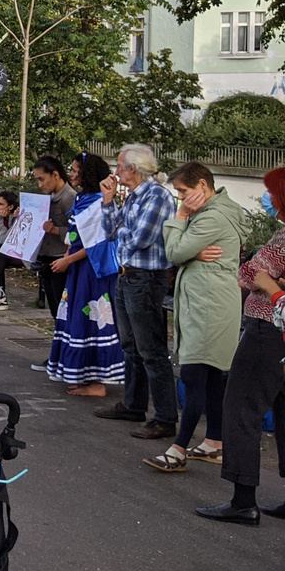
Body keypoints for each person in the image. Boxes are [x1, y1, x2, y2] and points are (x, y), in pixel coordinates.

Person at [145, 162, 247, 473]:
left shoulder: (212, 216)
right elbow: (184, 250)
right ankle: (214, 442)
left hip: (207, 306)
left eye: (183, 191)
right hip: (211, 303)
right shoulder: (220, 211)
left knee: (194, 374)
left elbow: (173, 253)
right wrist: (191, 248)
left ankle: (178, 450)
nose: (180, 198)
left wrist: (180, 220)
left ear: (202, 185)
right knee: (213, 376)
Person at [199, 167, 285, 523]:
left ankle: (243, 499)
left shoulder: (282, 241)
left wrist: (267, 280)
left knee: (242, 409)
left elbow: (248, 275)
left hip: (268, 329)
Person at [94, 145, 179, 438]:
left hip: (146, 277)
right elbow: (110, 232)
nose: (115, 172)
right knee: (131, 346)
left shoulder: (156, 196)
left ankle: (166, 417)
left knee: (151, 349)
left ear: (133, 169)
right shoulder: (132, 197)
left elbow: (139, 239)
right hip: (128, 274)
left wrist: (121, 229)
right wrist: (108, 203)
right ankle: (134, 404)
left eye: (119, 166)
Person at [44, 153, 124, 397]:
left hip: (93, 271)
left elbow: (96, 245)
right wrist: (67, 255)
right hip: (78, 269)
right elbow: (76, 236)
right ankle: (82, 374)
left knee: (91, 320)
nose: (72, 173)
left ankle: (97, 382)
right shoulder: (83, 198)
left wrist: (68, 259)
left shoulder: (99, 202)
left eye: (76, 170)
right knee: (77, 319)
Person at [32, 156, 76, 317]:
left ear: (55, 175)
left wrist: (56, 230)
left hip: (61, 258)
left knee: (61, 307)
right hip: (46, 257)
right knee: (54, 307)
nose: (40, 185)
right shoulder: (47, 198)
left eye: (42, 179)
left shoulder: (69, 197)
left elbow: (78, 232)